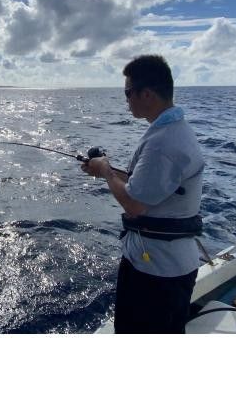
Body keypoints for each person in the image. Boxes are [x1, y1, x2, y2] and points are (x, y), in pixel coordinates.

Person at [81, 55, 204, 333]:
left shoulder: (163, 143)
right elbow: (148, 186)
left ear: (146, 94)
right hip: (170, 267)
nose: (126, 100)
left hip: (156, 273)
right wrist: (105, 170)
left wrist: (107, 174)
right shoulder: (173, 131)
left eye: (128, 93)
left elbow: (135, 204)